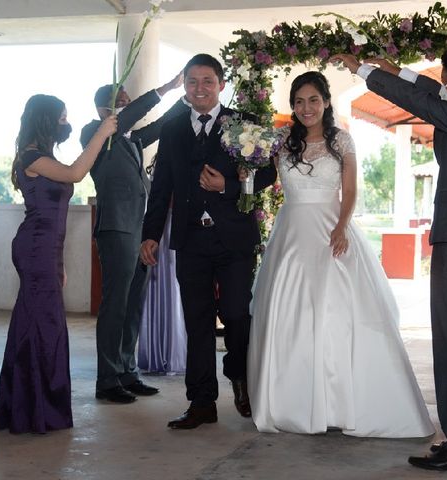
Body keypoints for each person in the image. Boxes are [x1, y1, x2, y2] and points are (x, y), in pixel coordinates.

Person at [331, 43, 447, 473]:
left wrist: (366, 74)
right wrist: (398, 69)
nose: (443, 88)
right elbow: (432, 91)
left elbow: (421, 101)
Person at [247, 71, 435, 438]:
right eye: (299, 101)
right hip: (291, 233)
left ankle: (340, 403)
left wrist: (341, 226)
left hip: (332, 227)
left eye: (313, 100)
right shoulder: (282, 141)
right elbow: (262, 179)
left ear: (326, 102)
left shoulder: (342, 141)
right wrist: (238, 175)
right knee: (290, 310)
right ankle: (291, 401)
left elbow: (350, 191)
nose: (306, 108)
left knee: (336, 309)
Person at [140, 53, 277, 429]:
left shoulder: (245, 124)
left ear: (220, 84)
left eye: (207, 81)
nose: (199, 88)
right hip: (190, 240)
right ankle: (201, 402)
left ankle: (239, 374)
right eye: (192, 82)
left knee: (236, 313)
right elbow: (162, 186)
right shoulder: (172, 129)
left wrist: (228, 185)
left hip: (234, 238)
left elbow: (266, 175)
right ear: (184, 86)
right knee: (197, 320)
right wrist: (150, 234)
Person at [0, 95, 117, 434]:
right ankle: (33, 410)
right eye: (62, 118)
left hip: (45, 250)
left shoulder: (42, 156)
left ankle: (28, 407)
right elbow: (76, 173)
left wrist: (59, 263)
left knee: (37, 325)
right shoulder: (33, 156)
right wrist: (101, 133)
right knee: (43, 326)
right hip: (34, 248)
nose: (66, 123)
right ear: (47, 120)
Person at [81, 74, 187, 404]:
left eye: (128, 99)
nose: (127, 104)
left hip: (140, 231)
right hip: (117, 228)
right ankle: (107, 379)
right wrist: (165, 88)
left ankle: (127, 370)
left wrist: (188, 99)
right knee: (115, 304)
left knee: (132, 304)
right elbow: (129, 117)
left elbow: (159, 125)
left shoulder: (131, 140)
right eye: (121, 100)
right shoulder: (95, 134)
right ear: (103, 109)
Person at [138, 156, 187, 375]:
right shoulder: (164, 163)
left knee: (175, 287)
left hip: (175, 227)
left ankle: (172, 352)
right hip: (159, 230)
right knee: (158, 286)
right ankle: (159, 352)